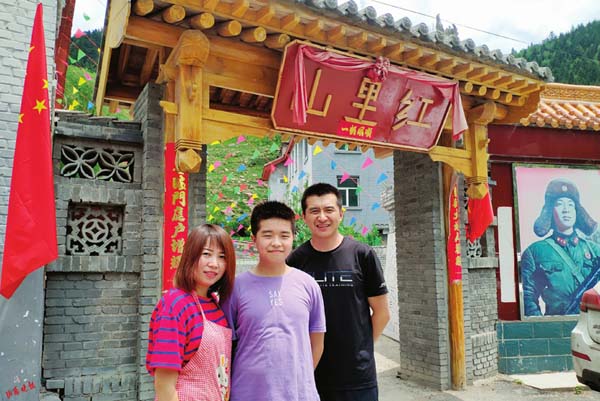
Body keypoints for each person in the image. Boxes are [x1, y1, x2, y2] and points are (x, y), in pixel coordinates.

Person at [287, 183, 390, 401]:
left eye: (329, 210)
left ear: (341, 214)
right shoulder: (295, 261)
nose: (322, 217)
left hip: (358, 379)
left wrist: (362, 349)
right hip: (310, 374)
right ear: (304, 217)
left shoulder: (362, 255)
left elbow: (382, 313)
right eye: (314, 211)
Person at [223, 200, 326, 401]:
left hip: (299, 395)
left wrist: (300, 378)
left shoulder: (308, 284)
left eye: (284, 235)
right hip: (247, 394)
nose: (276, 243)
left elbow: (317, 343)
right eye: (268, 235)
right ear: (254, 239)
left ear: (293, 238)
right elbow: (225, 348)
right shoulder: (235, 288)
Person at [146, 224, 236, 401]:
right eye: (206, 254)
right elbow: (164, 387)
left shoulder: (215, 304)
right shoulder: (176, 304)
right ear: (190, 255)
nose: (214, 264)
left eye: (222, 257)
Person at [521, 178, 600, 316]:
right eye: (559, 204)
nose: (566, 210)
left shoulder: (595, 251)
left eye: (570, 205)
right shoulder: (535, 252)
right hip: (557, 323)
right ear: (550, 211)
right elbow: (529, 299)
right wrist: (545, 325)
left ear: (576, 211)